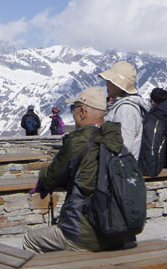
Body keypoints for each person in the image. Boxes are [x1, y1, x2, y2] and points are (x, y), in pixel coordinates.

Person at [23, 87, 137, 253]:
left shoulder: (78, 142)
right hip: (121, 233)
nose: (73, 113)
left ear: (83, 111)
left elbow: (51, 177)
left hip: (84, 236)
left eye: (73, 108)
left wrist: (42, 179)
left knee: (30, 240)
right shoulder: (116, 140)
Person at [98, 61, 149, 163]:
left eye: (110, 81)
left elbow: (123, 146)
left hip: (120, 171)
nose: (107, 84)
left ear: (118, 84)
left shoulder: (126, 109)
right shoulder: (123, 106)